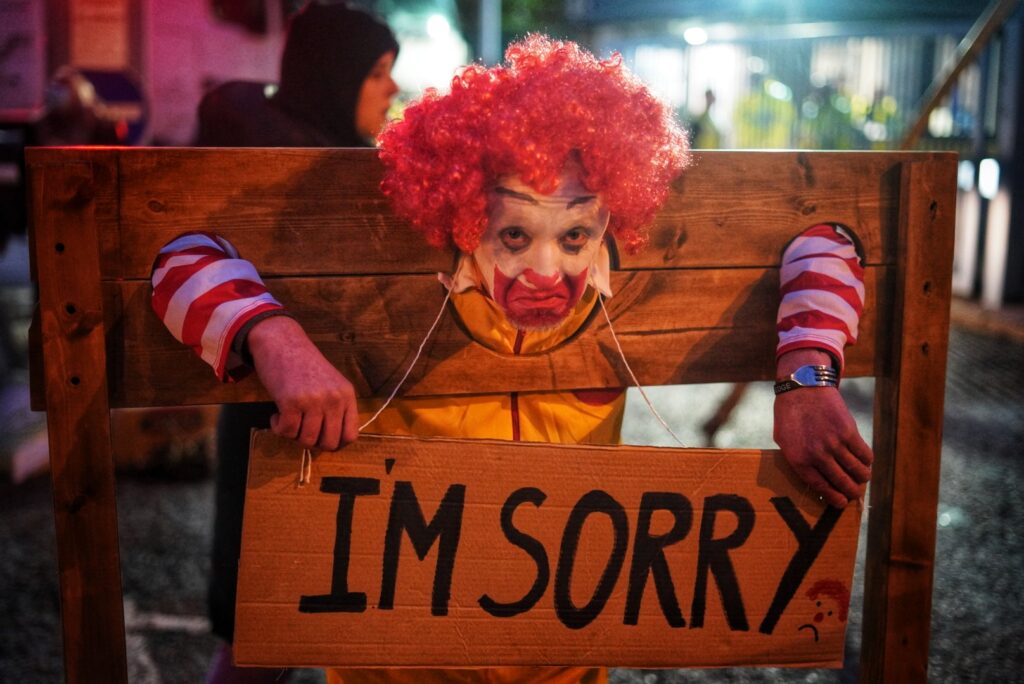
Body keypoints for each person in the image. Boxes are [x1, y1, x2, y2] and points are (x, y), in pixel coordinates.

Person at [153, 35, 871, 683]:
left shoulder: (610, 298)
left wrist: (808, 371)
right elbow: (176, 252)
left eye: (577, 234)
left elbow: (828, 236)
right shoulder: (385, 298)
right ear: (462, 218)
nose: (548, 275)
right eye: (516, 236)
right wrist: (276, 339)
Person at [185, 4, 399, 682]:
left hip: (359, 426)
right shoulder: (253, 169)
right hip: (270, 422)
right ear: (338, 81)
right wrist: (269, 332)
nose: (391, 89)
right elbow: (183, 248)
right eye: (378, 73)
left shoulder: (361, 168)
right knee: (262, 630)